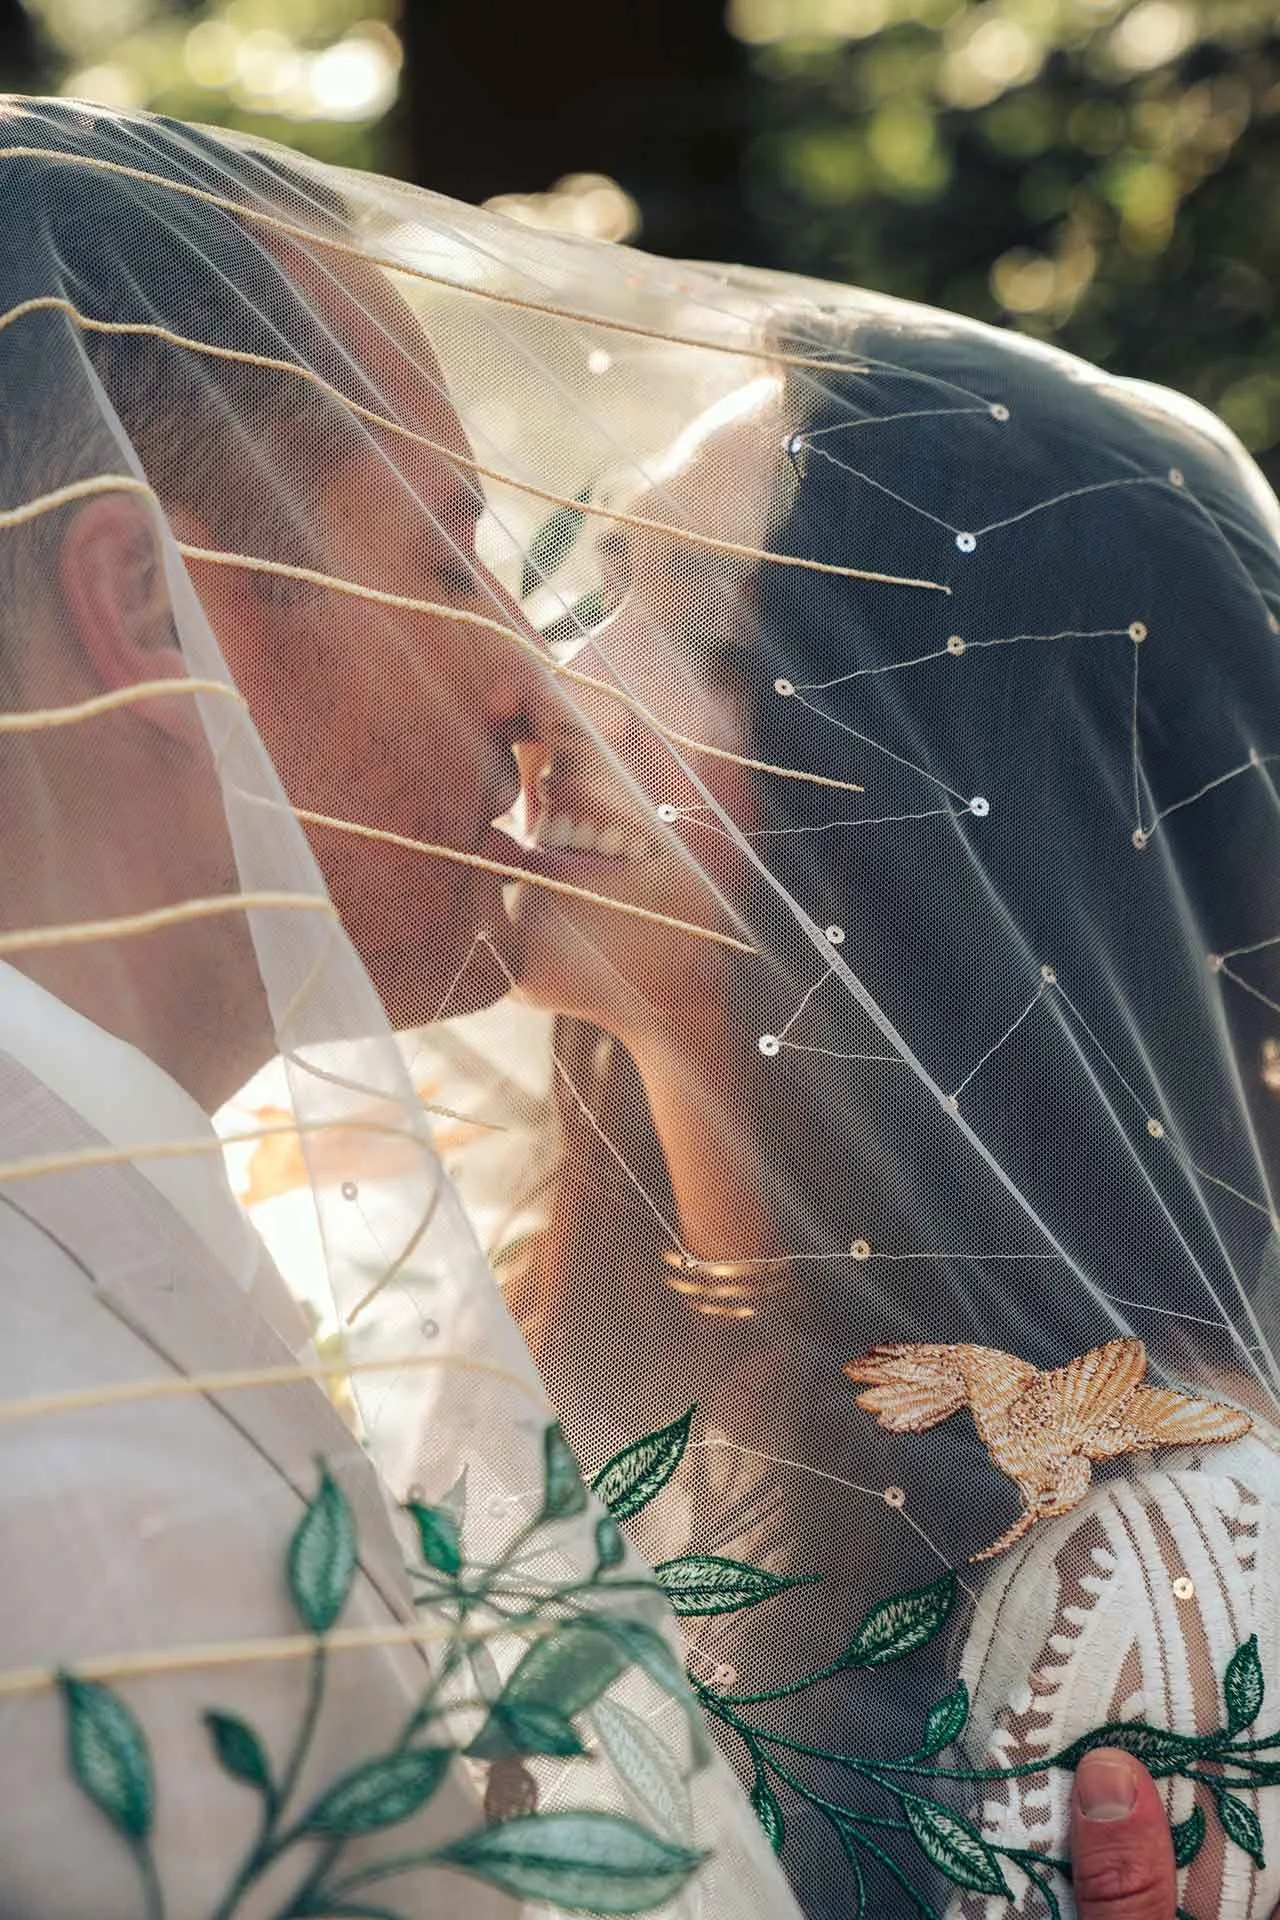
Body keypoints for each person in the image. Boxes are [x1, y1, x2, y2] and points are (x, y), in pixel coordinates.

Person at [0, 96, 799, 1917]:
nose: (533, 684)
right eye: (449, 559)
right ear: (150, 607)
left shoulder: (115, 1245)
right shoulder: (67, 1463)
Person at [464, 288, 1280, 1920]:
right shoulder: (534, 1342)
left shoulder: (1142, 1569)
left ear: (948, 815)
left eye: (712, 639)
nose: (554, 687)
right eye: (605, 584)